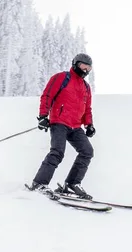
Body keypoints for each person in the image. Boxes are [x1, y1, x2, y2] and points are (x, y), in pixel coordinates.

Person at [30, 53, 96, 199]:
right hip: (59, 122)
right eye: (82, 66)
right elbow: (47, 95)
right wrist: (43, 116)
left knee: (87, 151)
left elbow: (87, 108)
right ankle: (39, 183)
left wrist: (89, 125)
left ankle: (72, 184)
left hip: (76, 126)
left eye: (88, 67)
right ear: (75, 64)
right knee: (57, 152)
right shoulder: (61, 78)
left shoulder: (86, 87)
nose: (85, 70)